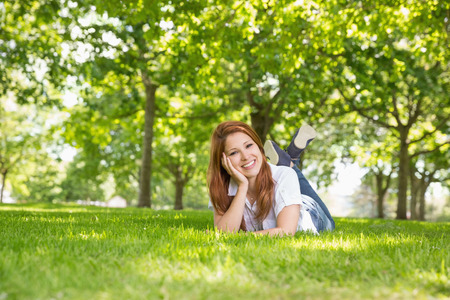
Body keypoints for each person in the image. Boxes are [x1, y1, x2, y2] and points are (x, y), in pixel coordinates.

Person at [207, 121, 335, 236]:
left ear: (259, 147)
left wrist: (240, 237)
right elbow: (224, 233)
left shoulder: (284, 176)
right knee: (285, 174)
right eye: (234, 152)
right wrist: (242, 186)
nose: (245, 156)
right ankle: (290, 160)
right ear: (223, 161)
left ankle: (290, 164)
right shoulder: (221, 187)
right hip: (283, 191)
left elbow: (286, 231)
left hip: (309, 211)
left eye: (249, 146)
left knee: (331, 224)